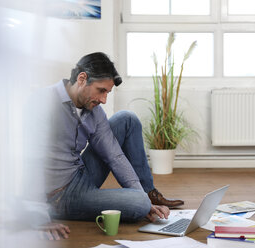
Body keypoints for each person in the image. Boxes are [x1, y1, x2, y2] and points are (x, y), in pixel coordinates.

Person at [38, 52, 184, 240]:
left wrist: (144, 198)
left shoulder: (94, 110)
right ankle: (141, 201)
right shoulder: (44, 103)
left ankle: (149, 194)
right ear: (82, 78)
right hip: (59, 194)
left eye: (107, 92)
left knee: (126, 119)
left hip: (80, 173)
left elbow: (114, 155)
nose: (104, 100)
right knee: (139, 204)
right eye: (101, 90)